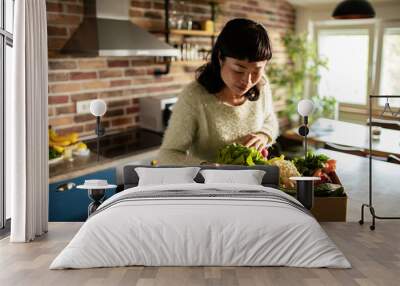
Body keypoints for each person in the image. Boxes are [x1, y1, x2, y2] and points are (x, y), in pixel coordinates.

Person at [157, 18, 279, 165]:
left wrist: (264, 135)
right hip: (209, 184)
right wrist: (204, 167)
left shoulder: (261, 85)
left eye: (257, 71)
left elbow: (270, 120)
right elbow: (168, 153)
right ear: (220, 57)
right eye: (238, 70)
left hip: (255, 181)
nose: (248, 81)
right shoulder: (194, 96)